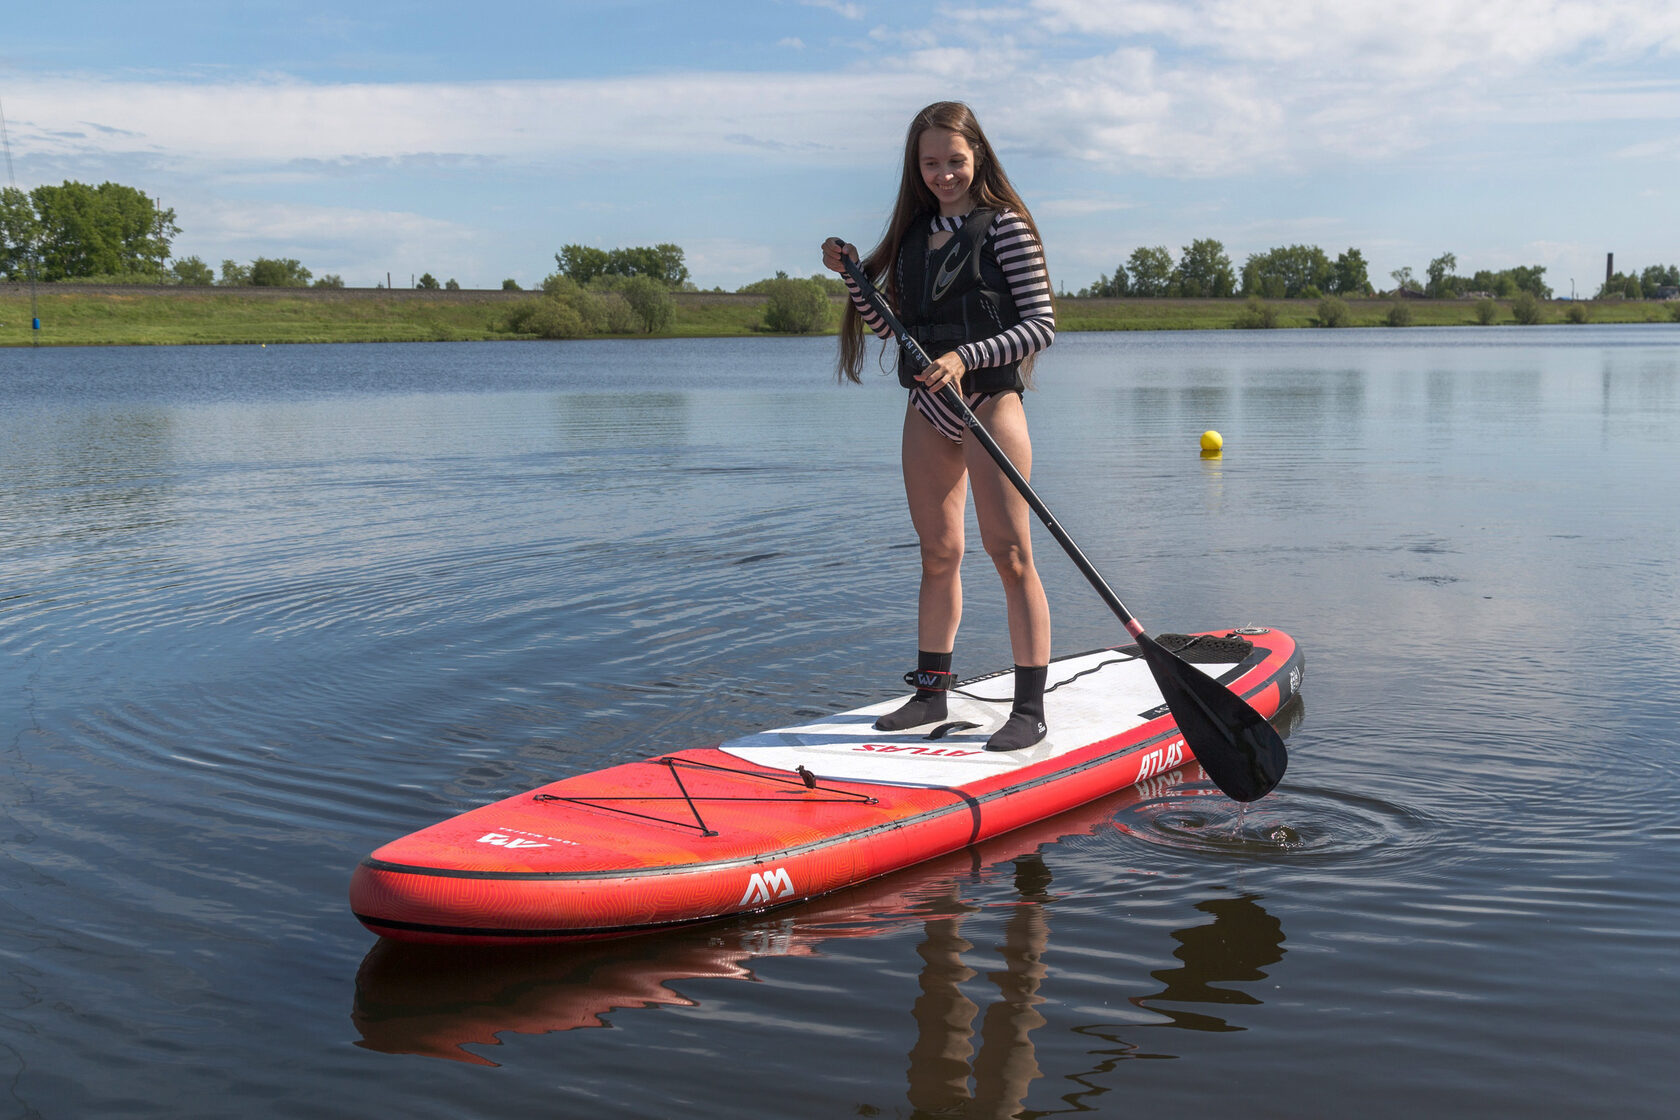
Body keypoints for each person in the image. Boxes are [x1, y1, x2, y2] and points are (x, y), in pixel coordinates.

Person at [820, 100, 1056, 753]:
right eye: (931, 163)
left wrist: (965, 357)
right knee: (937, 554)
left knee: (1009, 555)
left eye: (955, 160)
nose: (944, 174)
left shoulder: (1006, 229)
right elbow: (889, 323)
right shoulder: (914, 236)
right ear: (915, 166)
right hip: (927, 411)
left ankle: (1029, 711)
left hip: (989, 404)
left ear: (977, 155)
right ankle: (930, 694)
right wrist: (852, 277)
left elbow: (1040, 326)